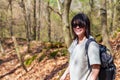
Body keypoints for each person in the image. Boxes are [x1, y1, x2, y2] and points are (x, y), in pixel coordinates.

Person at [60, 13, 101, 80]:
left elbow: (96, 67)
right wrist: (64, 74)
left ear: (86, 26)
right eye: (74, 25)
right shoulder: (74, 42)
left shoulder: (91, 44)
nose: (77, 27)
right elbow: (72, 62)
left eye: (80, 25)